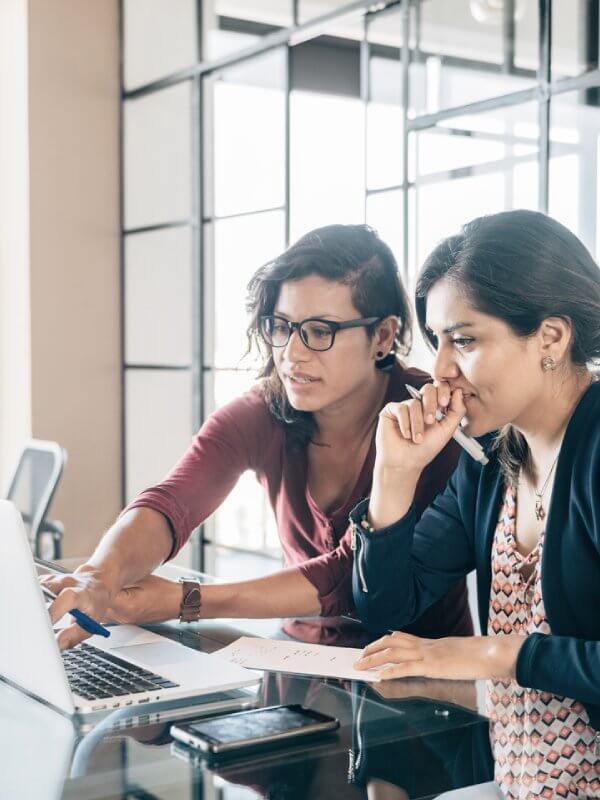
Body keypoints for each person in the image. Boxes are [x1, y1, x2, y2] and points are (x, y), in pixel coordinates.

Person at [45, 224, 471, 650]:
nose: (291, 353)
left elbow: (347, 578)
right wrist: (99, 577)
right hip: (296, 660)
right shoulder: (267, 409)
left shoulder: (430, 421)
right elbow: (172, 502)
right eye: (281, 326)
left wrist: (185, 600)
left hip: (418, 685)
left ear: (382, 336)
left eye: (320, 331)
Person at [350, 209, 600, 797]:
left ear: (551, 337)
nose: (439, 371)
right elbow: (385, 606)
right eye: (437, 340)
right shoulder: (493, 459)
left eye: (464, 340)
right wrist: (393, 476)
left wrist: (493, 653)